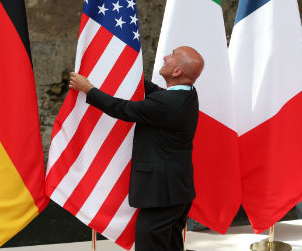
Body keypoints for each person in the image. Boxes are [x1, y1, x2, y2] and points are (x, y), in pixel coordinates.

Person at [69, 46, 204, 251]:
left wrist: (88, 89)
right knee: (170, 245)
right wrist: (126, 68)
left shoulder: (167, 104)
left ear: (177, 72)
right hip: (175, 191)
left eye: (172, 56)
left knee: (150, 246)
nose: (165, 57)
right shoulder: (187, 94)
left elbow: (123, 109)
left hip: (161, 194)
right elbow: (154, 91)